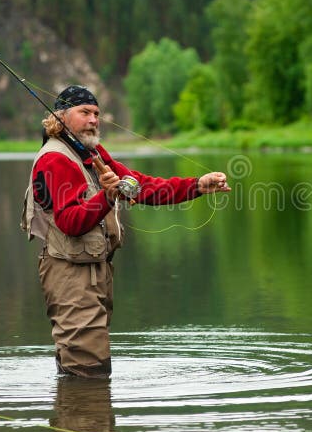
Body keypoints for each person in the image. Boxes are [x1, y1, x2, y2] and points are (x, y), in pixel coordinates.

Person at [21, 85, 230, 378]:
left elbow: (141, 185)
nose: (94, 120)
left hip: (91, 271)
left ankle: (80, 415)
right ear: (62, 117)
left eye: (96, 113)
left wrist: (197, 186)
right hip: (69, 274)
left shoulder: (91, 154)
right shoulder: (56, 159)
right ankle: (82, 420)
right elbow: (70, 221)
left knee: (82, 369)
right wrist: (107, 196)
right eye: (85, 113)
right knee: (88, 369)